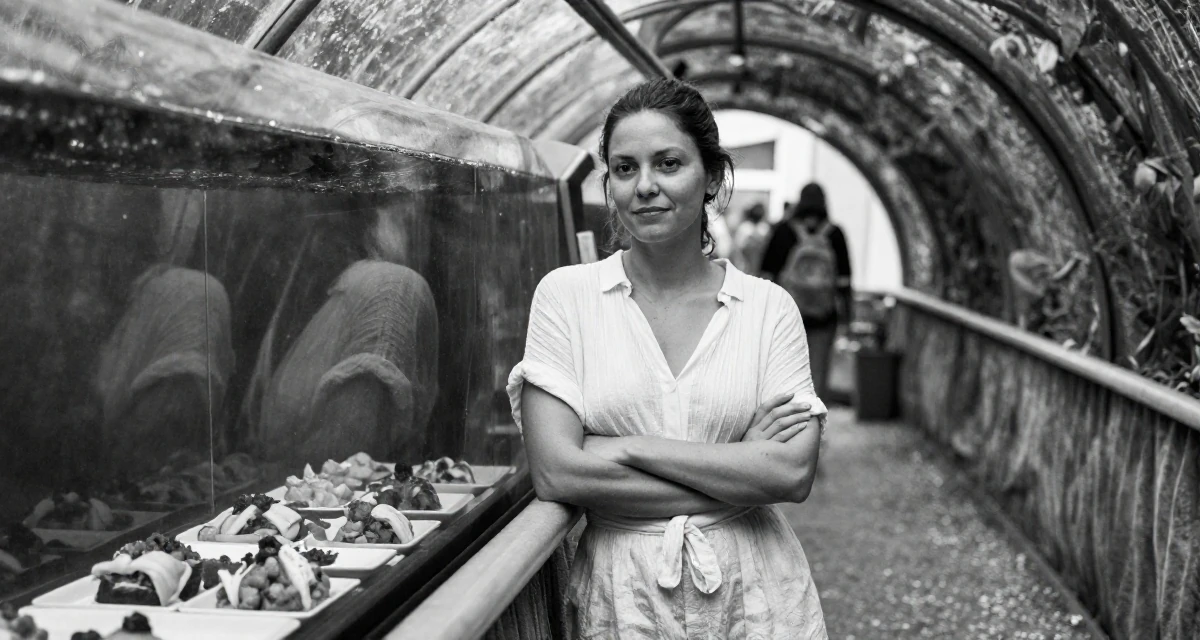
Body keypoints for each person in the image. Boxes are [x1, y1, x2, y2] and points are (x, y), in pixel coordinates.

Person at [508, 78, 829, 639]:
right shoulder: (566, 297)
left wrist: (626, 447)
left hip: (754, 597)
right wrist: (739, 465)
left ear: (711, 176)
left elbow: (792, 472)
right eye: (625, 168)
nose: (645, 186)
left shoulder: (767, 308)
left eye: (669, 163)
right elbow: (557, 472)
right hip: (621, 598)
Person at [760, 183, 852, 399]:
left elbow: (765, 275)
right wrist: (848, 318)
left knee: (783, 373)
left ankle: (786, 425)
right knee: (817, 375)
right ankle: (814, 423)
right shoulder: (835, 234)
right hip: (825, 317)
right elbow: (845, 281)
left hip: (786, 318)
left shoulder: (783, 231)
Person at [731, 201, 769, 276]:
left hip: (759, 267)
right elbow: (737, 248)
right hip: (745, 266)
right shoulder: (745, 228)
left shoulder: (764, 228)